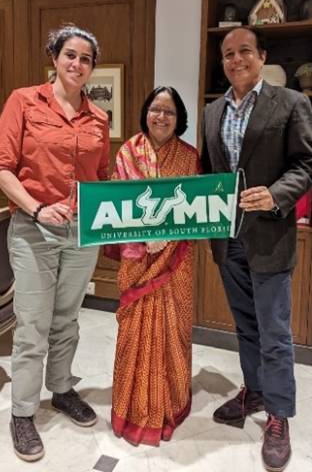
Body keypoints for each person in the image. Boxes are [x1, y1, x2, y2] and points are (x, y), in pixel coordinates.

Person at [201, 27, 312, 472]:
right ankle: (254, 391)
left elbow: (307, 165)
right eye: (228, 54)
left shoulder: (291, 103)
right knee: (246, 328)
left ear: (261, 56)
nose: (235, 59)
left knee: (275, 334)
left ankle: (279, 415)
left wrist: (274, 195)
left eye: (244, 51)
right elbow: (211, 174)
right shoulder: (212, 112)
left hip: (270, 237)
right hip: (227, 240)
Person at [0, 25, 109, 462]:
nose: (77, 64)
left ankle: (62, 389)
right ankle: (23, 413)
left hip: (81, 234)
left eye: (85, 58)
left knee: (67, 318)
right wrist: (38, 208)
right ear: (55, 57)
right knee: (32, 325)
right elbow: (4, 168)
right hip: (33, 229)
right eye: (70, 55)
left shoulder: (98, 117)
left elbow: (99, 178)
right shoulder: (24, 101)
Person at [110, 86, 200, 446]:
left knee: (174, 329)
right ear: (145, 112)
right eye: (155, 110)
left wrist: (169, 238)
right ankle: (131, 409)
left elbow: (198, 212)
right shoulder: (127, 152)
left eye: (169, 112)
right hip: (138, 259)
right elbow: (115, 206)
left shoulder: (191, 158)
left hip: (176, 262)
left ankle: (171, 404)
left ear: (180, 119)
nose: (161, 117)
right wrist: (144, 237)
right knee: (135, 331)